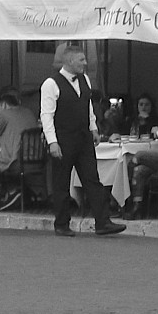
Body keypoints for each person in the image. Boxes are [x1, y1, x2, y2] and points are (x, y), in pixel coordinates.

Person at [41, 43, 126, 237]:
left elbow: (87, 106)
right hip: (63, 138)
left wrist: (94, 127)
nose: (85, 63)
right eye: (81, 59)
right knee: (61, 182)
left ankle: (102, 222)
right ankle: (61, 224)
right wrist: (52, 142)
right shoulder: (51, 84)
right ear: (70, 60)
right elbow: (46, 115)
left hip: (83, 137)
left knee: (92, 179)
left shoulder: (85, 79)